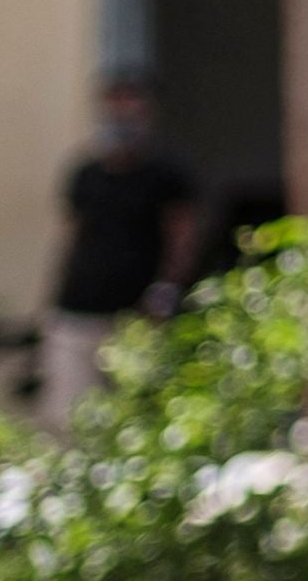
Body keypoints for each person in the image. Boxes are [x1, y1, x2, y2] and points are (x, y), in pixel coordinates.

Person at [41, 71, 197, 427]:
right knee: (68, 417)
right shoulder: (85, 174)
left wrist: (167, 292)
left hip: (134, 315)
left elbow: (182, 239)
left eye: (132, 111)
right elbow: (70, 239)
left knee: (135, 417)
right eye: (115, 111)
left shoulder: (166, 176)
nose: (122, 122)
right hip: (77, 308)